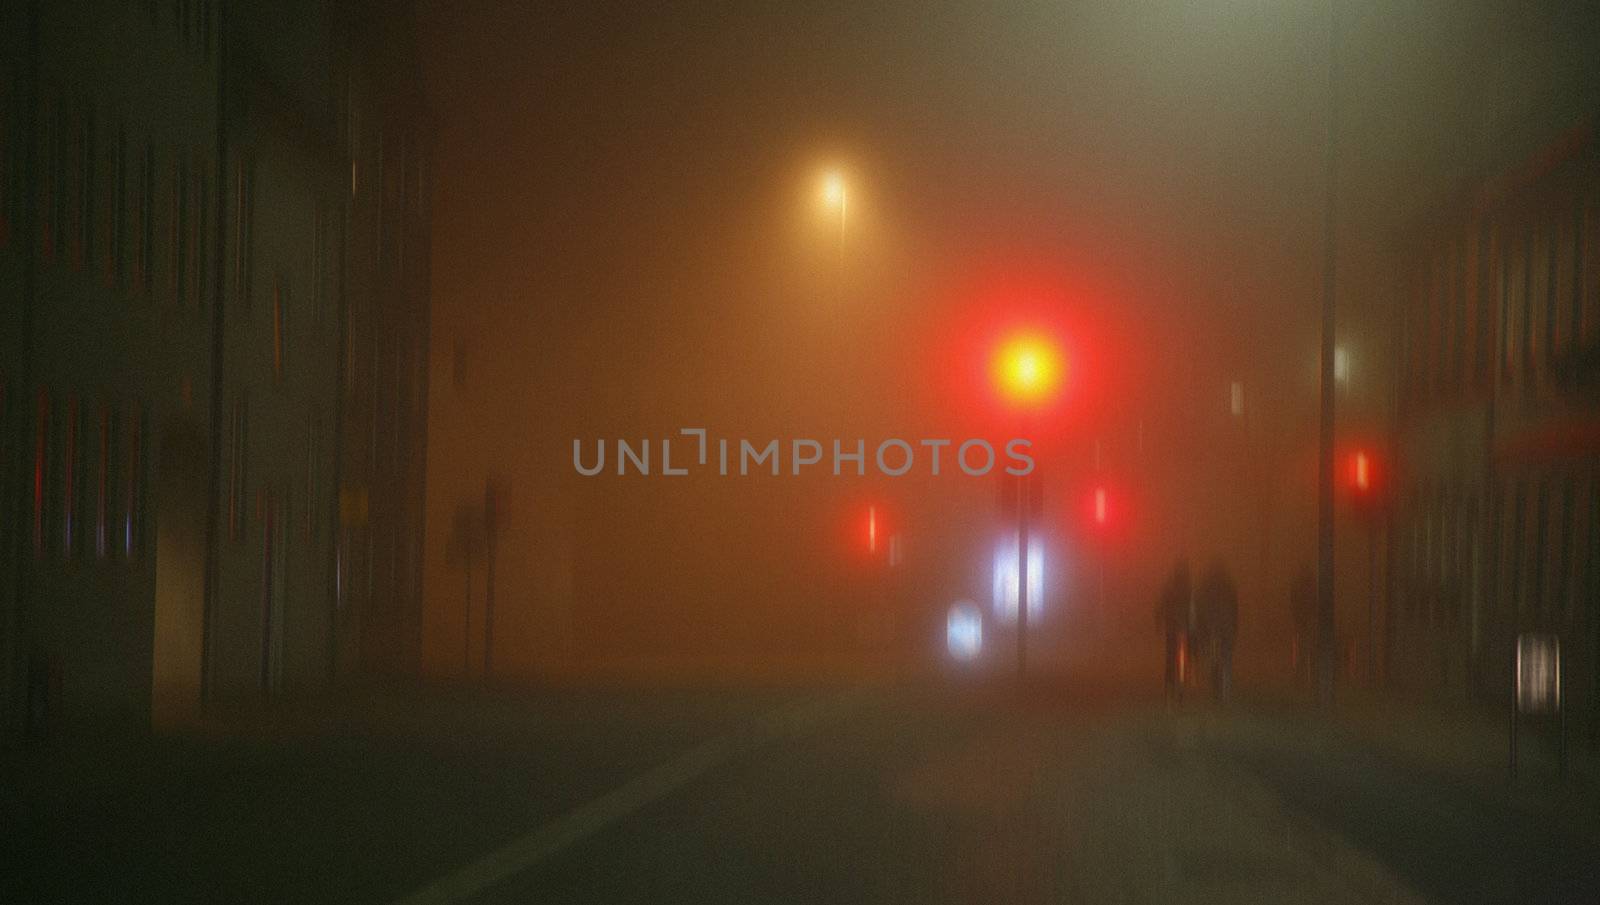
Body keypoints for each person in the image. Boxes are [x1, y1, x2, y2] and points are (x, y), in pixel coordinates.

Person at [1196, 560, 1239, 702]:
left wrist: (1201, 627)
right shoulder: (1229, 585)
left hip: (1211, 627)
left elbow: (1199, 607)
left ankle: (1216, 686)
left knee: (1213, 658)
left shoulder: (1205, 586)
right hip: (1226, 626)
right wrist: (1234, 625)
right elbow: (1235, 607)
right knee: (1226, 659)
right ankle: (1225, 692)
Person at [1157, 559, 1192, 701]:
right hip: (1185, 627)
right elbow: (1193, 608)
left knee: (1170, 658)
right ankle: (1181, 687)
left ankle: (1169, 687)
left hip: (1171, 627)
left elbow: (1161, 606)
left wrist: (1159, 622)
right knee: (1183, 657)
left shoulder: (1169, 588)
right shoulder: (1189, 588)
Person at [1289, 564, 1316, 684]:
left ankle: (1302, 675)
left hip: (1304, 620)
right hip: (1305, 620)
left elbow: (1294, 601)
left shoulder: (1300, 586)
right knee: (1305, 647)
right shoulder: (1311, 586)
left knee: (1303, 647)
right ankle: (1304, 676)